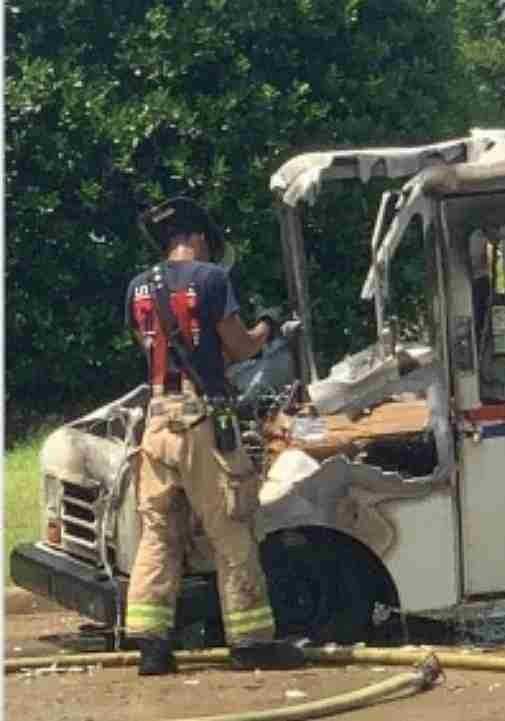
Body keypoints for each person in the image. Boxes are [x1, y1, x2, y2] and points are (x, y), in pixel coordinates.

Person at [124, 196, 303, 675]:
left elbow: (159, 350)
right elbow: (240, 347)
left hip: (156, 420)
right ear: (199, 238)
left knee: (159, 533)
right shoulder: (212, 279)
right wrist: (267, 326)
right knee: (231, 527)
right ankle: (250, 643)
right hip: (201, 423)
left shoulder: (138, 287)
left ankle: (151, 647)